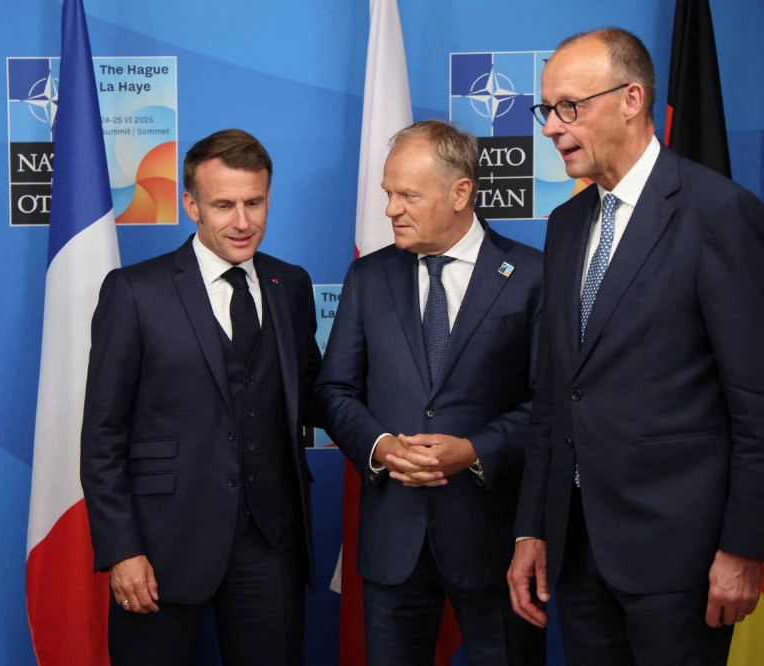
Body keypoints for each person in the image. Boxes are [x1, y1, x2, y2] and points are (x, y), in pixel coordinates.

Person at [508, 28, 764, 666]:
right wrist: (534, 526)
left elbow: (757, 404)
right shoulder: (566, 226)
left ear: (631, 99)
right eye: (548, 110)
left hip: (684, 560)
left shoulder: (718, 213)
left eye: (570, 107)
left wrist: (744, 548)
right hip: (578, 552)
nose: (550, 128)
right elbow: (555, 395)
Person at [80, 129, 322, 666]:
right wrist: (121, 550)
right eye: (224, 205)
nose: (242, 221)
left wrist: (388, 434)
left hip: (269, 540)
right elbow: (103, 433)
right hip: (161, 544)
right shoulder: (134, 291)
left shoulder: (292, 284)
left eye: (254, 203)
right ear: (191, 204)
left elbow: (315, 394)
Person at [316, 119, 545, 666]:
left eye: (407, 195)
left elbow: (553, 404)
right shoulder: (368, 278)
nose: (391, 209)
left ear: (461, 191)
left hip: (495, 543)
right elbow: (334, 391)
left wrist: (474, 450)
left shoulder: (534, 274)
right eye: (388, 194)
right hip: (394, 540)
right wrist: (381, 447)